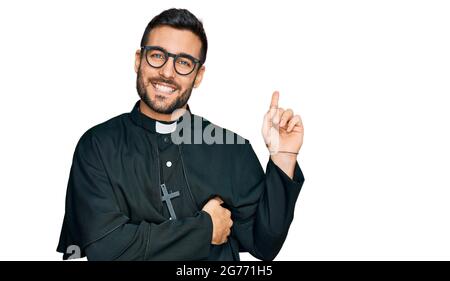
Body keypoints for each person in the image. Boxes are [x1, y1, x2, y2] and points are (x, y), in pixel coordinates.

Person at [57, 8, 305, 261]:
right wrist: (205, 229)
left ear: (198, 76)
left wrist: (284, 157)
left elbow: (264, 246)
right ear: (137, 60)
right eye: (157, 56)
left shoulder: (231, 149)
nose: (167, 72)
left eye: (184, 63)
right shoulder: (98, 146)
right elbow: (106, 250)